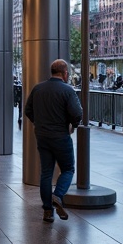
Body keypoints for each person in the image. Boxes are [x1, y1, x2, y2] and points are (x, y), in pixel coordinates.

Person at [24, 59, 83, 222]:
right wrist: (73, 125)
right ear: (64, 73)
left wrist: (38, 122)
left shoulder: (38, 88)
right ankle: (57, 195)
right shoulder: (67, 90)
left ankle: (47, 211)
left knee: (46, 173)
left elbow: (28, 110)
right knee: (68, 169)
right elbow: (77, 113)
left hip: (42, 136)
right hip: (60, 136)